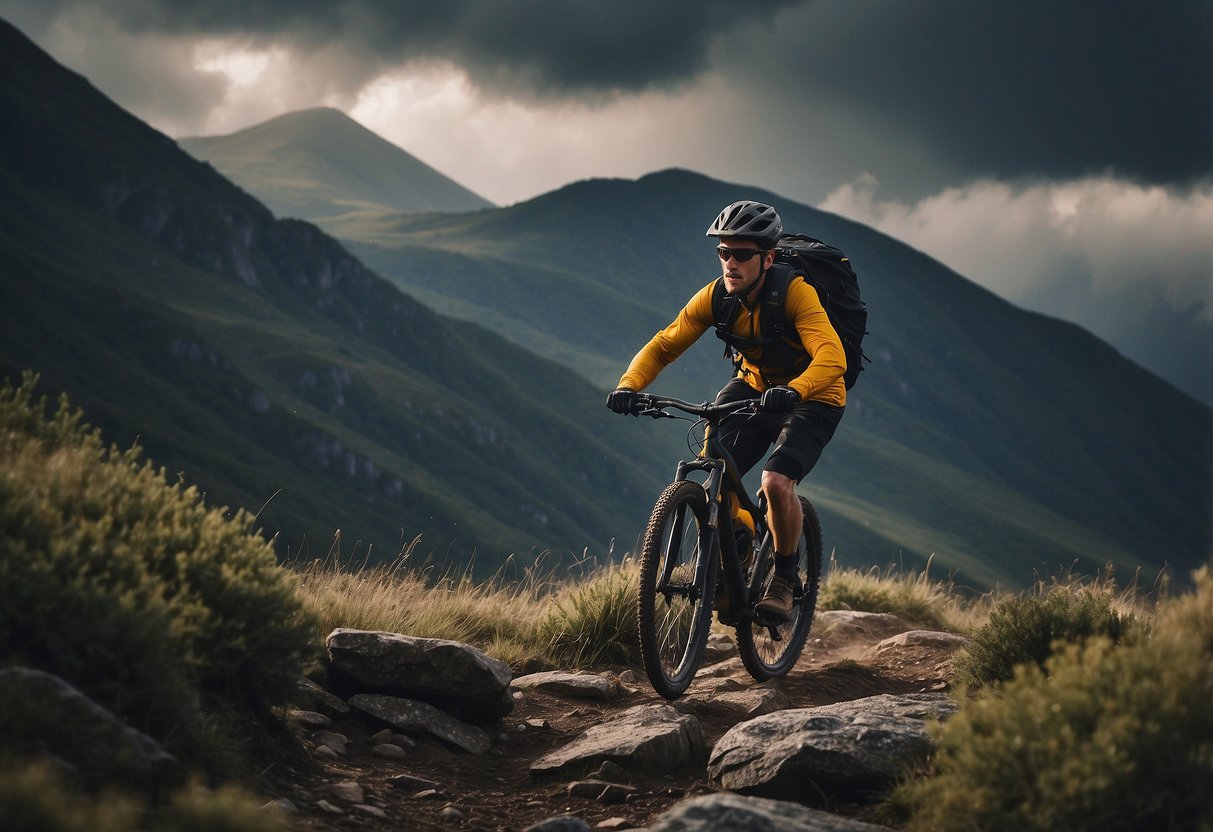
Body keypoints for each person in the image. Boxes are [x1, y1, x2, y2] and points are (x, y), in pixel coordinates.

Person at [606, 200, 846, 622]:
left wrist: (794, 390)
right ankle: (740, 544)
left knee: (775, 482)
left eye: (742, 254)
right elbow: (665, 345)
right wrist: (629, 386)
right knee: (715, 459)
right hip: (754, 387)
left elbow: (832, 356)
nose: (730, 262)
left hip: (814, 395)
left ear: (767, 258)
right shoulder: (716, 297)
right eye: (723, 252)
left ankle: (786, 578)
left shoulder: (795, 293)